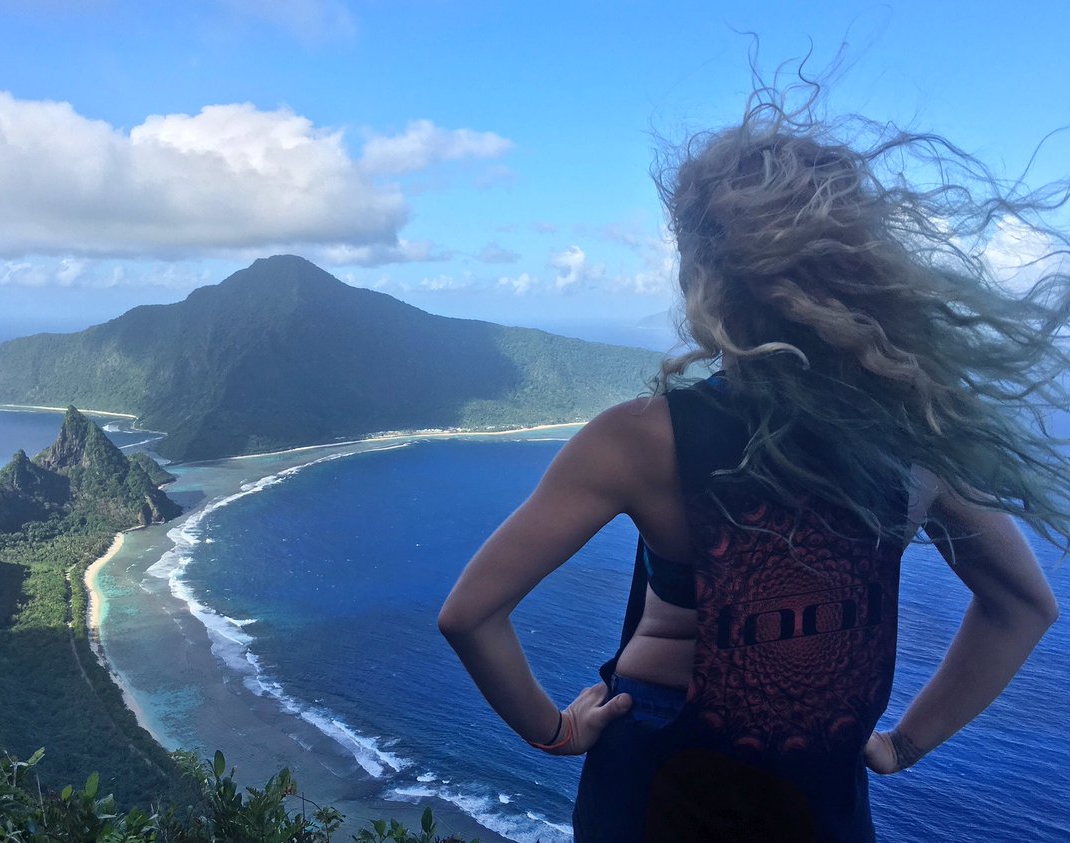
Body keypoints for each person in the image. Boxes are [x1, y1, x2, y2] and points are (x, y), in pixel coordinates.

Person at [438, 80, 1068, 842]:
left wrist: (555, 732)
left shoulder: (638, 438)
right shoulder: (914, 438)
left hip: (656, 787)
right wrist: (904, 743)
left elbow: (471, 615)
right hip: (818, 798)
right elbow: (1022, 605)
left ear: (705, 281)